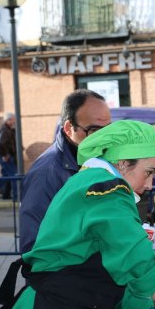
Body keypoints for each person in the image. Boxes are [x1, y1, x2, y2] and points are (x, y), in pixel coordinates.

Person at [0, 120, 155, 309]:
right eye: (148, 173)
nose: (149, 185)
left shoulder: (93, 185)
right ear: (123, 163)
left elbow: (114, 272)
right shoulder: (104, 190)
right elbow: (133, 254)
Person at [19, 89, 111, 254]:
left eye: (108, 130)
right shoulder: (46, 174)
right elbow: (33, 247)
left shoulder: (97, 161)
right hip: (64, 276)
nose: (104, 139)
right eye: (94, 131)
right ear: (69, 128)